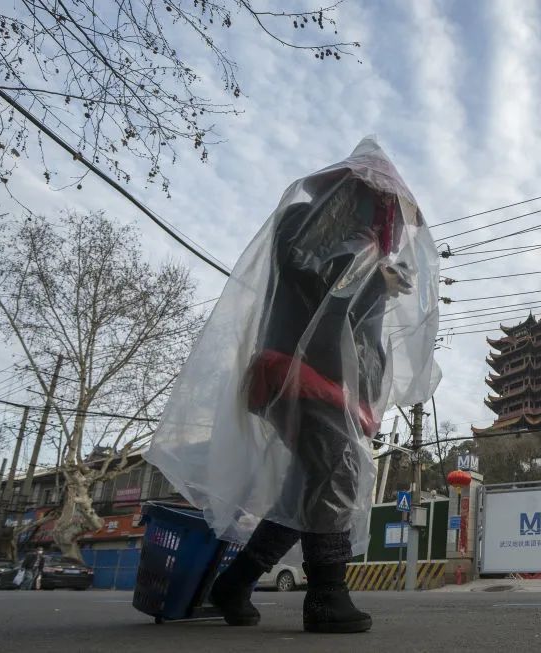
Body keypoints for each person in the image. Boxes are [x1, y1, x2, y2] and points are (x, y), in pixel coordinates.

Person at [147, 138, 439, 634]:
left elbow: (352, 328)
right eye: (382, 205)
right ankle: (326, 595)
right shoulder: (305, 224)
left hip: (323, 380)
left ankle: (235, 582)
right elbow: (317, 283)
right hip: (299, 374)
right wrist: (375, 282)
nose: (388, 221)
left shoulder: (357, 245)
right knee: (337, 474)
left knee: (306, 487)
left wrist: (378, 288)